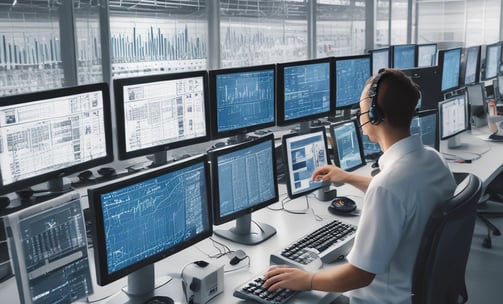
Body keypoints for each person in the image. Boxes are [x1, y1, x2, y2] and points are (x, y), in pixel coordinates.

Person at [263, 68, 457, 304]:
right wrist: (346, 177)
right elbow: (402, 193)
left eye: (362, 108)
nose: (360, 113)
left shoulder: (388, 188)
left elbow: (359, 275)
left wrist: (307, 279)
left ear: (375, 115)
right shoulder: (433, 160)